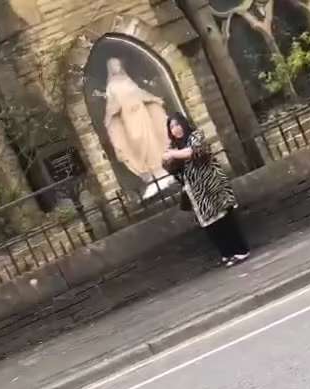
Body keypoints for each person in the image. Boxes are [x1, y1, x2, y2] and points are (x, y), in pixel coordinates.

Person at [163, 112, 249, 267]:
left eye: (177, 124)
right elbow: (168, 165)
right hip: (196, 193)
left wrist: (173, 154)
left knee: (224, 221)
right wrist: (170, 159)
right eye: (172, 127)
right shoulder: (174, 147)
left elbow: (194, 151)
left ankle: (241, 251)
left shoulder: (196, 136)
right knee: (210, 226)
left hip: (212, 186)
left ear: (184, 124)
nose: (176, 129)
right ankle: (226, 254)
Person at [93, 58, 174, 198]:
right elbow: (113, 104)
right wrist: (109, 116)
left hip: (143, 114)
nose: (117, 67)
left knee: (151, 140)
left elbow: (140, 93)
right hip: (129, 119)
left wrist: (154, 99)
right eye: (114, 65)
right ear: (110, 68)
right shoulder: (111, 86)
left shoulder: (127, 79)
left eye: (118, 64)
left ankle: (161, 170)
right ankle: (151, 174)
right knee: (138, 143)